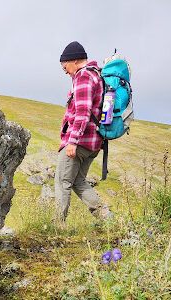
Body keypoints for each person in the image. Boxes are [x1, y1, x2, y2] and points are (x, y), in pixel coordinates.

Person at [55, 41, 113, 222]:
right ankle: (107, 217)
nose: (65, 71)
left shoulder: (83, 76)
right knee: (78, 182)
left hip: (79, 142)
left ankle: (57, 225)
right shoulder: (98, 75)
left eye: (65, 66)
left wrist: (72, 141)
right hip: (94, 143)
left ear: (74, 60)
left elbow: (83, 111)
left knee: (62, 182)